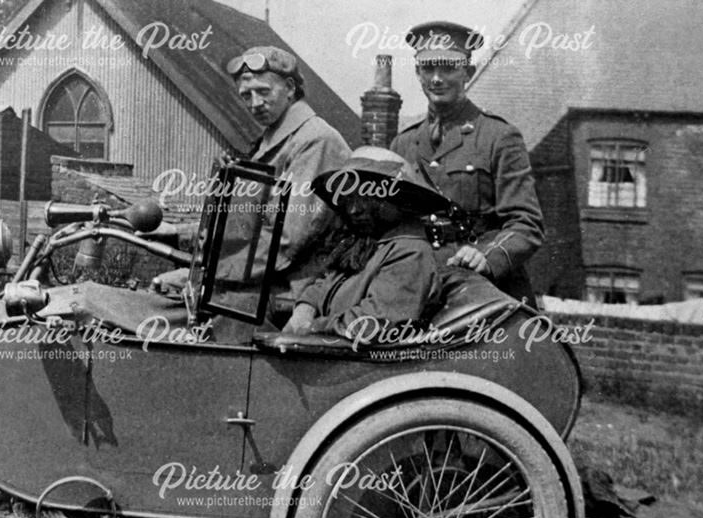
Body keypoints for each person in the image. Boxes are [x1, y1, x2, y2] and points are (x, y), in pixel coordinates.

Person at [147, 45, 351, 315]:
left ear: (290, 87)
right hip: (264, 280)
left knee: (166, 314)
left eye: (264, 92)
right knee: (159, 299)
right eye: (246, 95)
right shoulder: (272, 140)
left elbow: (288, 241)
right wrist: (178, 232)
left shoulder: (315, 141)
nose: (255, 103)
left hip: (299, 291)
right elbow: (243, 223)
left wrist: (208, 274)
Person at [390, 21, 544, 306]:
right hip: (421, 285)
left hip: (484, 287)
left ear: (468, 73)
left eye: (448, 68)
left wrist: (487, 256)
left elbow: (527, 223)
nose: (436, 78)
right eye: (428, 68)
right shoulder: (403, 144)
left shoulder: (499, 137)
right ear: (417, 73)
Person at [282, 147, 450, 340]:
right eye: (348, 199)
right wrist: (306, 307)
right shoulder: (366, 243)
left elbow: (375, 322)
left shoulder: (410, 253)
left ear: (399, 201)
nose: (354, 210)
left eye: (367, 199)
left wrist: (312, 326)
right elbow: (326, 283)